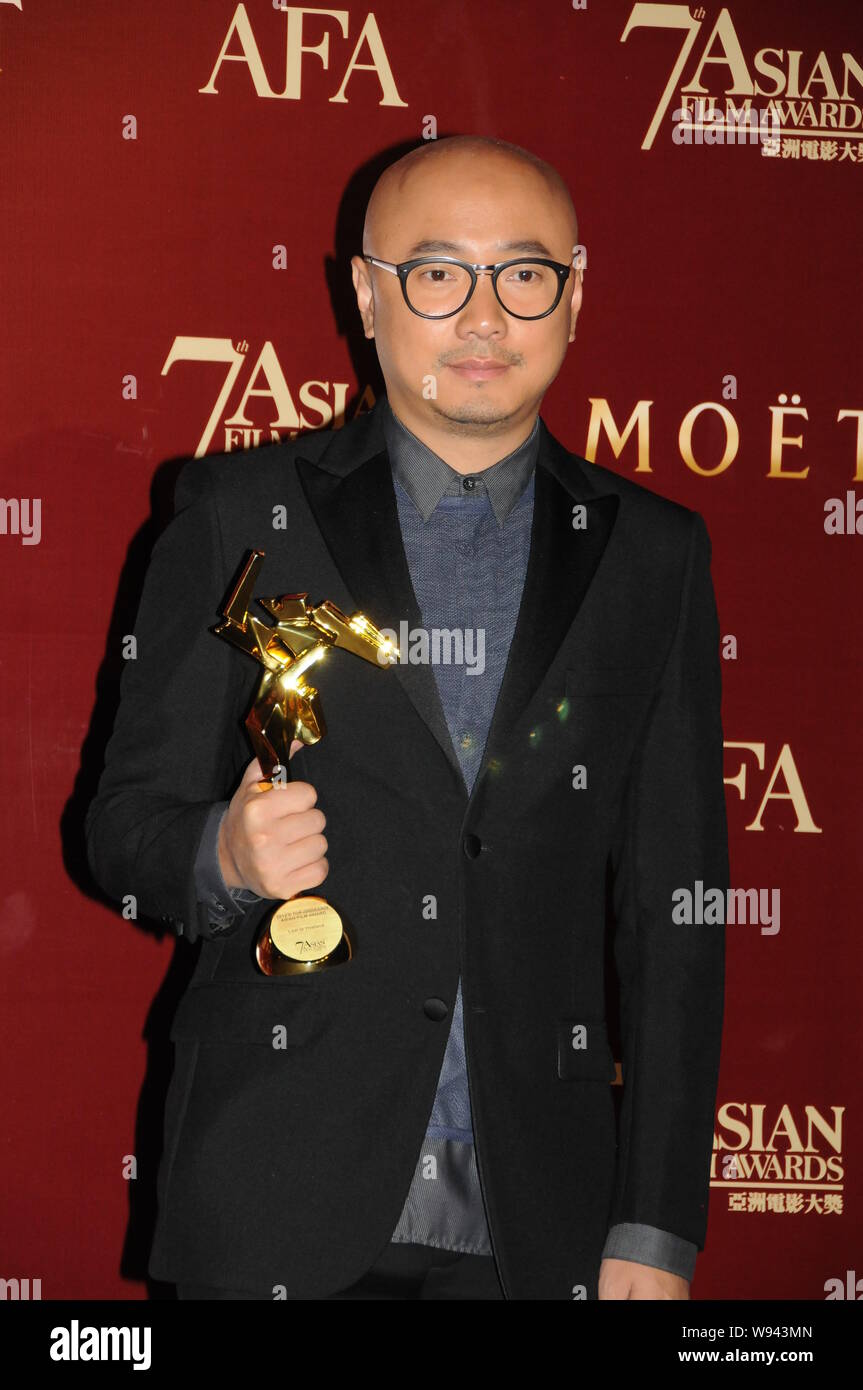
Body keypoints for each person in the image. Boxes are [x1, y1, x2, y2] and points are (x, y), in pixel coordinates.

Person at [85, 134, 727, 1301]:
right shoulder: (239, 512)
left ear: (574, 298)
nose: (482, 314)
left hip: (544, 1217)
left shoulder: (652, 556)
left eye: (522, 274)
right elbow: (121, 826)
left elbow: (676, 915)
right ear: (368, 295)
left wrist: (656, 1222)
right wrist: (216, 855)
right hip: (279, 1190)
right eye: (437, 273)